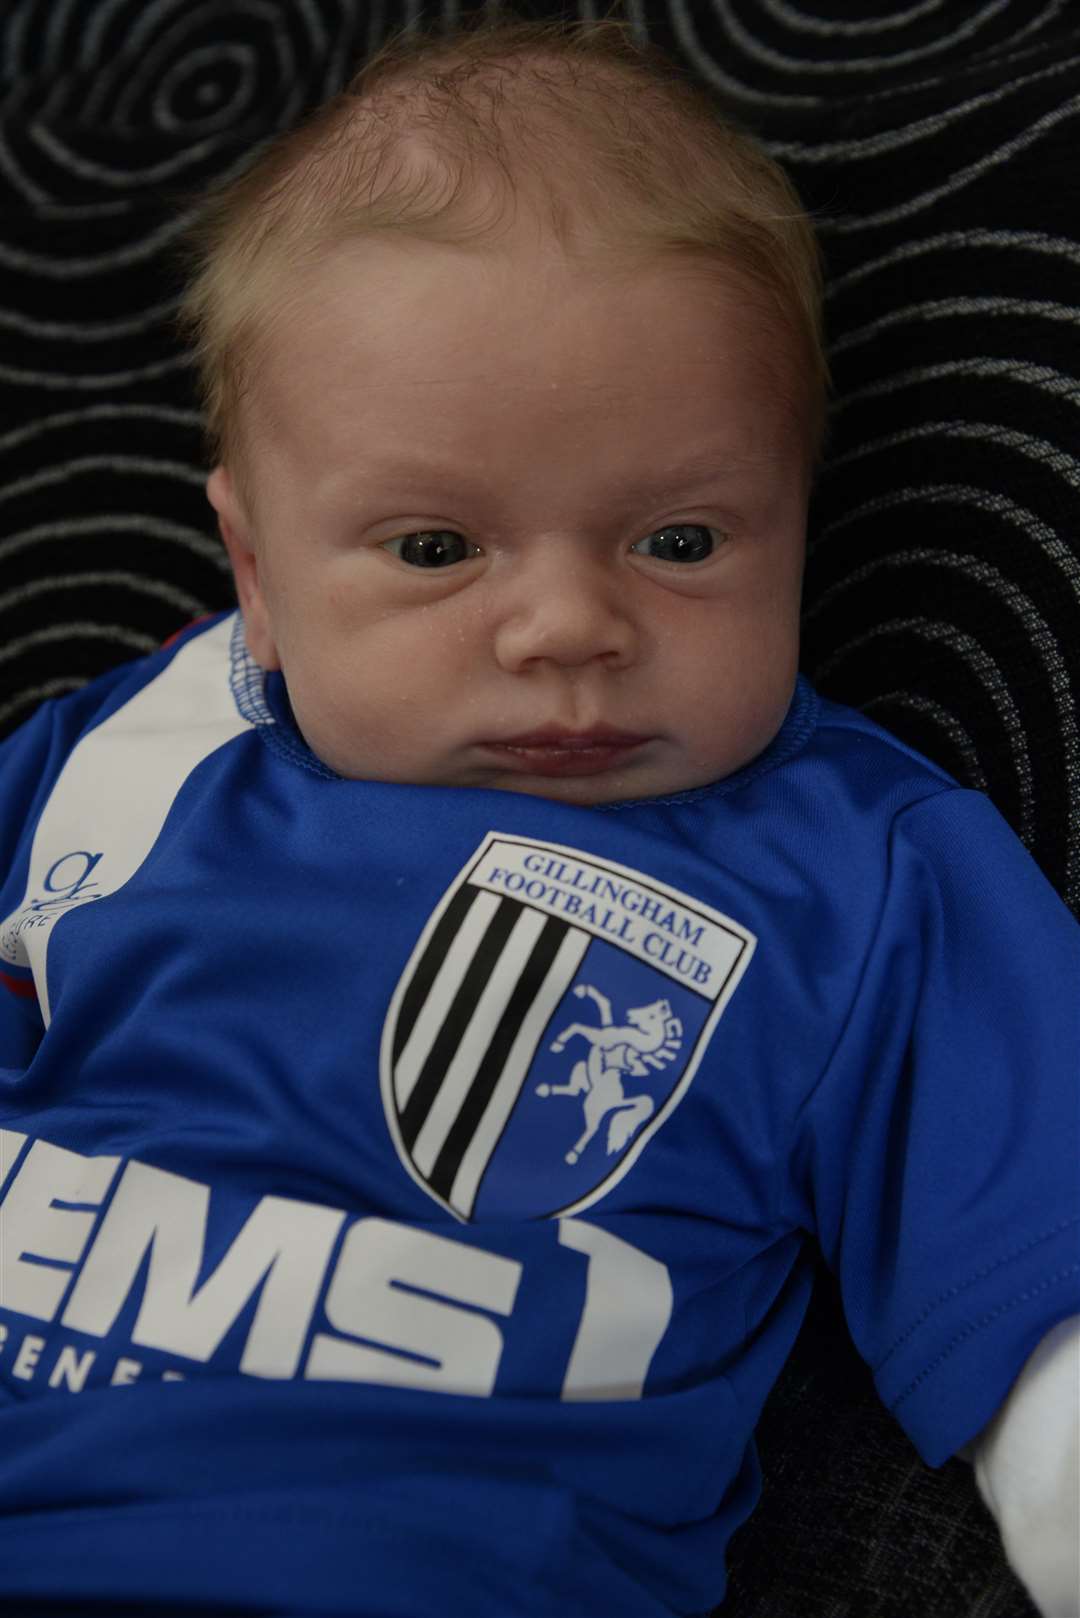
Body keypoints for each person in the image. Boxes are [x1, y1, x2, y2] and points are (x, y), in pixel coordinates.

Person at [0, 12, 1076, 1617]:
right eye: (437, 550)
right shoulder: (121, 757)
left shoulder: (866, 871)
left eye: (685, 540)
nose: (568, 625)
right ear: (254, 577)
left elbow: (1047, 1320)